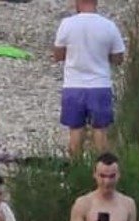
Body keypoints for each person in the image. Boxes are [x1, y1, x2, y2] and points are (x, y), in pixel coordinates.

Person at [53, 0, 125, 159]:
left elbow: (57, 55)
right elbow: (118, 58)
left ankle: (75, 170)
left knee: (75, 130)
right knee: (100, 130)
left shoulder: (67, 24)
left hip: (73, 85)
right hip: (100, 84)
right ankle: (103, 168)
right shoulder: (108, 25)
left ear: (77, 3)